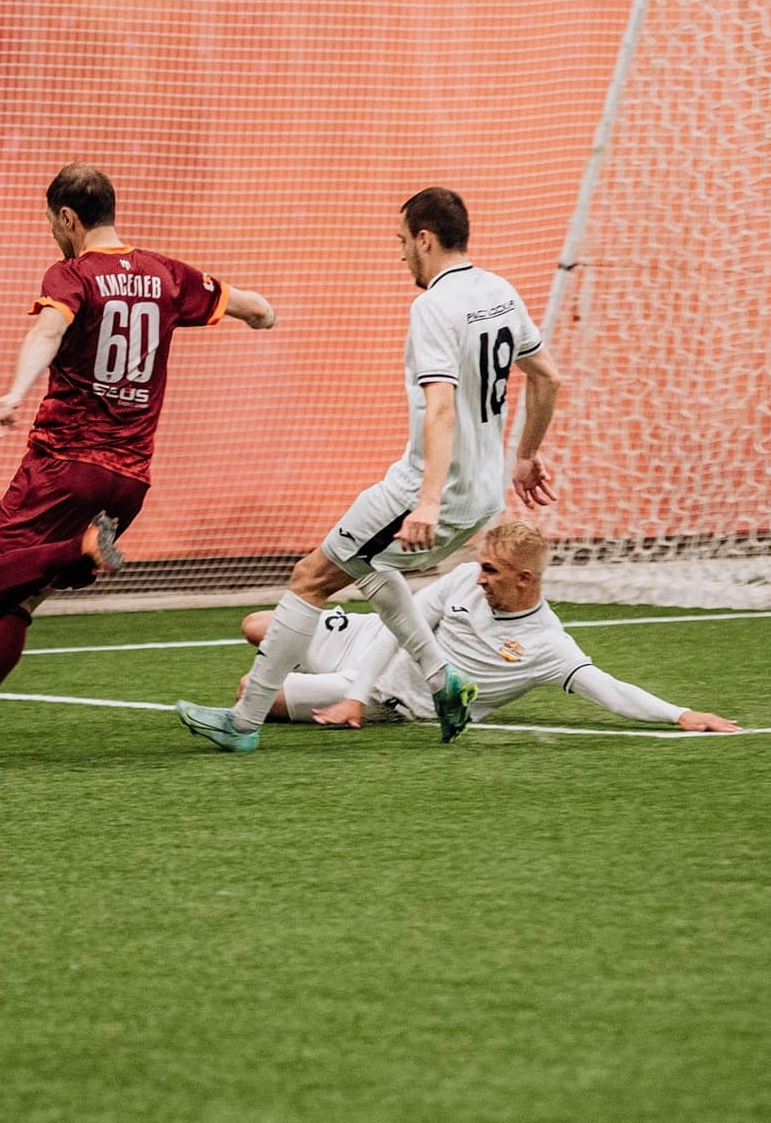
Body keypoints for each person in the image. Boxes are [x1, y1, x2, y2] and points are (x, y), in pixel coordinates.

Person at [176, 187, 563, 752]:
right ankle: (443, 680)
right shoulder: (499, 291)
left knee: (311, 577)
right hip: (483, 493)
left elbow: (441, 407)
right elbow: (548, 376)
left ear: (425, 240)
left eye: (403, 242)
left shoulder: (434, 305)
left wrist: (427, 501)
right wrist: (526, 454)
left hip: (428, 488)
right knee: (366, 565)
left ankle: (243, 721)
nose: (401, 254)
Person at [0, 163, 276, 762]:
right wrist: (262, 315)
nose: (51, 233)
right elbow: (256, 308)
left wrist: (12, 393)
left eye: (50, 222)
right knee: (22, 601)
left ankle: (79, 548)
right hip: (129, 481)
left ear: (68, 217)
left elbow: (47, 334)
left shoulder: (72, 273)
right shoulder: (165, 273)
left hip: (65, 466)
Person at [236, 522, 741, 734]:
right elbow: (398, 624)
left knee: (248, 691)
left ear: (525, 579)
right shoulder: (462, 579)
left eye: (491, 572)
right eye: (479, 566)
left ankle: (310, 686)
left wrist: (682, 715)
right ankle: (313, 672)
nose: (478, 579)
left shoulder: (547, 646)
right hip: (371, 643)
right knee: (256, 625)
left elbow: (609, 690)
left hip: (383, 697)